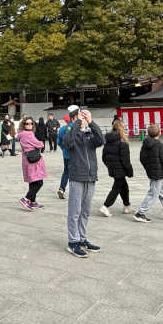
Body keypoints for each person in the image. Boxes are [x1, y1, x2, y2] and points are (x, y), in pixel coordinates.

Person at [62, 108, 104, 256]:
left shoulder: (89, 135)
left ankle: (82, 238)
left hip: (91, 177)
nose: (83, 120)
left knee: (85, 212)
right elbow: (67, 143)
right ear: (74, 120)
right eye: (80, 118)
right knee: (75, 212)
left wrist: (91, 122)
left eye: (84, 118)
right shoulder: (71, 135)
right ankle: (73, 241)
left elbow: (101, 140)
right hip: (77, 177)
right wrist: (77, 123)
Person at [134, 124, 163, 223]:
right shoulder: (160, 145)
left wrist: (148, 168)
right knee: (153, 194)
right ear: (159, 133)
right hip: (158, 174)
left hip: (152, 172)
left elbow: (142, 158)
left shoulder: (145, 144)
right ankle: (140, 213)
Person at [100, 119, 133, 216]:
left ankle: (127, 205)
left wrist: (110, 166)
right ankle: (105, 206)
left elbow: (104, 157)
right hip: (120, 170)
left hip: (113, 169)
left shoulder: (108, 141)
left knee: (124, 186)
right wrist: (129, 171)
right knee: (116, 188)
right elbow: (126, 160)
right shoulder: (123, 143)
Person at [17, 117, 46, 209]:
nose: (29, 125)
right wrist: (40, 143)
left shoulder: (22, 134)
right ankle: (26, 199)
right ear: (23, 124)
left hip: (27, 159)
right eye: (27, 123)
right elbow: (40, 144)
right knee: (39, 182)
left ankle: (32, 202)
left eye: (31, 123)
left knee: (33, 181)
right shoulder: (28, 134)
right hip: (33, 160)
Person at [56, 111, 74, 198]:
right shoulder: (77, 128)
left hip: (66, 154)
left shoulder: (62, 129)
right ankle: (75, 191)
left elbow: (58, 142)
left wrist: (63, 148)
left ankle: (61, 188)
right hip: (76, 155)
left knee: (66, 171)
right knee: (76, 173)